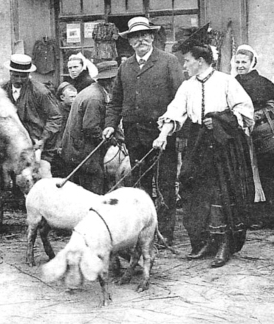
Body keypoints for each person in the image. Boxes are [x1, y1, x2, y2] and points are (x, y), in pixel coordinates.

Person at [153, 42, 254, 267]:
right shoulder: (187, 86)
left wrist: (219, 119)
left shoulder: (227, 81)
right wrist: (163, 135)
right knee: (194, 189)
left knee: (221, 192)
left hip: (223, 143)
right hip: (198, 142)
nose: (184, 64)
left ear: (200, 61)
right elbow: (175, 111)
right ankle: (205, 241)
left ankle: (225, 243)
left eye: (187, 60)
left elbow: (245, 111)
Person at [102, 16, 184, 244]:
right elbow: (115, 101)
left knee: (165, 182)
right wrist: (110, 125)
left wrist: (170, 132)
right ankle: (145, 230)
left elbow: (180, 100)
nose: (141, 40)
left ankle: (165, 233)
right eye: (136, 37)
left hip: (161, 136)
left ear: (152, 37)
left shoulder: (168, 62)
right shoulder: (125, 66)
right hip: (134, 135)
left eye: (145, 35)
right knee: (140, 184)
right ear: (130, 42)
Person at [233, 45, 274, 228]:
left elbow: (273, 106)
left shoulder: (262, 82)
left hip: (264, 135)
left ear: (253, 63)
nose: (241, 65)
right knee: (250, 174)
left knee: (271, 174)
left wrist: (252, 117)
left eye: (244, 62)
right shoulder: (233, 82)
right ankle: (255, 216)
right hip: (243, 134)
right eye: (238, 62)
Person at [61, 61, 118, 194]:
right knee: (93, 191)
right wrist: (111, 141)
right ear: (110, 81)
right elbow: (91, 128)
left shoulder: (94, 91)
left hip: (77, 150)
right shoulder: (95, 98)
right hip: (83, 154)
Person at [3, 54, 62, 164]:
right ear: (10, 73)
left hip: (37, 144)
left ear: (29, 74)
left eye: (23, 76)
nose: (19, 80)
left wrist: (43, 139)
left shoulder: (40, 92)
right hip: (13, 144)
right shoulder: (2, 90)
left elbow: (55, 117)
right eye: (16, 76)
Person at [51, 82, 77, 177]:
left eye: (75, 97)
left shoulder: (74, 109)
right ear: (62, 97)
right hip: (59, 149)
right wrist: (60, 145)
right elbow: (59, 131)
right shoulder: (58, 110)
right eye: (71, 97)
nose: (75, 99)